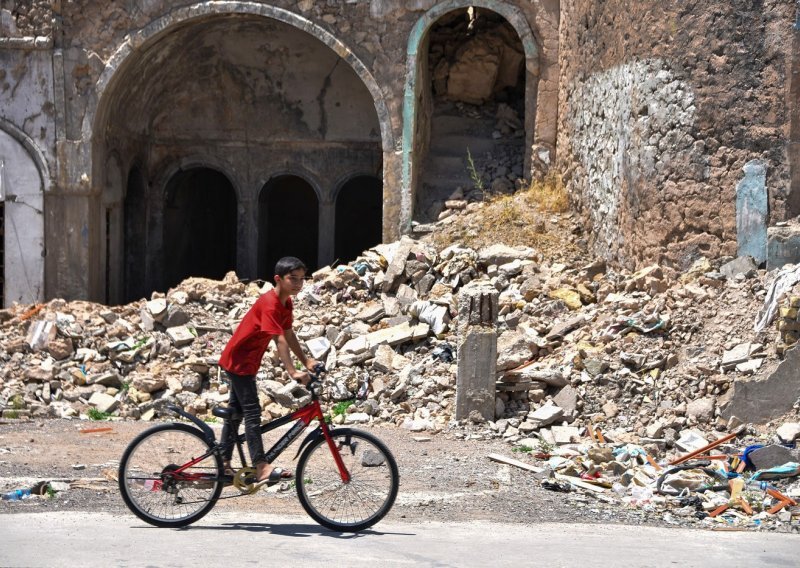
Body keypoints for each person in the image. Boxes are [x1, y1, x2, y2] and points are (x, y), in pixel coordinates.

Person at [218, 256, 317, 486]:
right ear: (278, 279)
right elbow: (279, 339)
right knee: (252, 412)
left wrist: (307, 361)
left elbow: (289, 333)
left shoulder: (286, 303)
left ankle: (222, 461)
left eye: (302, 279)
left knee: (236, 412)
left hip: (248, 363)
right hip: (239, 362)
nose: (298, 284)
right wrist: (293, 372)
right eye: (293, 279)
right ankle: (261, 466)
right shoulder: (269, 303)